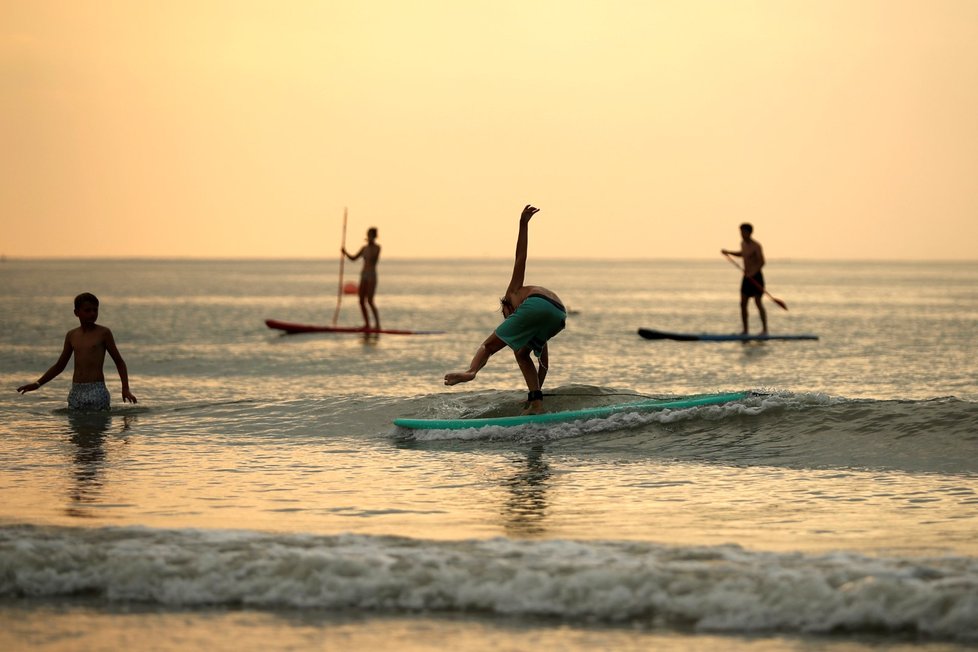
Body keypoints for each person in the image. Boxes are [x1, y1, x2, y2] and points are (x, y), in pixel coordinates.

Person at [444, 205, 566, 415]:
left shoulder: (513, 293)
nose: (508, 321)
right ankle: (537, 404)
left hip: (537, 304)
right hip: (559, 315)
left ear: (507, 308)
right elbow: (544, 365)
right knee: (522, 353)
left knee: (489, 346)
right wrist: (535, 393)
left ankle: (470, 372)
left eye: (506, 317)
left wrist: (523, 224)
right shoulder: (535, 325)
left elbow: (521, 258)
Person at [17, 292, 137, 410]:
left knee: (96, 428)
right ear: (76, 313)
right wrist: (37, 384)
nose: (92, 314)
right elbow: (60, 366)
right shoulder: (72, 335)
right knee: (75, 429)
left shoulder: (104, 333)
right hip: (76, 391)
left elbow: (119, 362)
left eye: (95, 310)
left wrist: (125, 388)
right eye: (87, 310)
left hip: (96, 390)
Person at [722, 223, 768, 335]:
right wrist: (729, 252)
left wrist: (752, 273)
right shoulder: (743, 244)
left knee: (758, 302)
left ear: (749, 233)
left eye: (743, 232)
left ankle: (765, 330)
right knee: (742, 303)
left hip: (756, 277)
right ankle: (745, 330)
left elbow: (762, 262)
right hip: (746, 278)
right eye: (741, 232)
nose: (742, 234)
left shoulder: (756, 246)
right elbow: (743, 254)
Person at [342, 227, 381, 330]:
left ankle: (377, 325)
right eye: (368, 234)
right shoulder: (364, 248)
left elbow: (374, 259)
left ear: (375, 236)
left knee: (370, 300)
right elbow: (354, 258)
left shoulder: (377, 248)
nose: (369, 236)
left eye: (371, 235)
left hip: (372, 275)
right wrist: (345, 252)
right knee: (361, 301)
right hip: (363, 275)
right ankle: (367, 324)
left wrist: (371, 244)